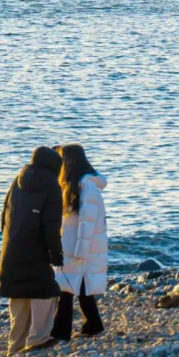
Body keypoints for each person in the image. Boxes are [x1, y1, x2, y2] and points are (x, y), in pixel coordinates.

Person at [0, 146, 64, 355]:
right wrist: (56, 255)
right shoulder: (52, 186)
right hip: (36, 249)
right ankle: (38, 337)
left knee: (18, 292)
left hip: (12, 247)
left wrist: (9, 239)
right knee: (46, 291)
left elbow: (4, 214)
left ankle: (15, 344)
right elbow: (51, 226)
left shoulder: (18, 179)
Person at [52, 145, 107, 342]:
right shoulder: (75, 183)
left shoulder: (87, 185)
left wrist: (81, 249)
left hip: (80, 244)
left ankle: (61, 331)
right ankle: (93, 324)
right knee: (80, 285)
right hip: (74, 242)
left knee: (67, 286)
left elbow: (88, 220)